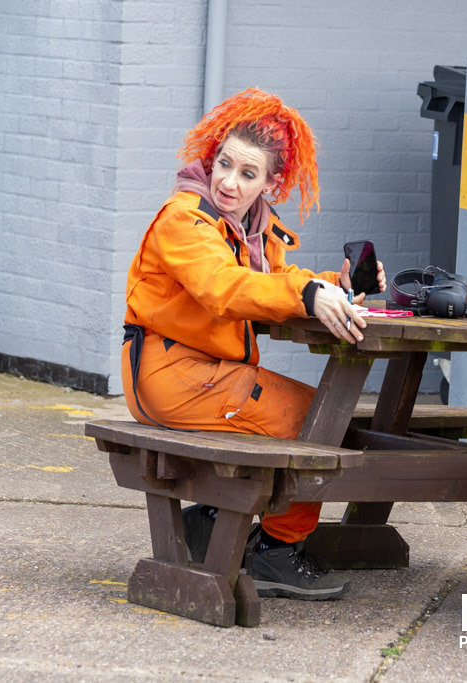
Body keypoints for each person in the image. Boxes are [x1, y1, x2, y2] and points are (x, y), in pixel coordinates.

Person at [121, 88, 386, 601]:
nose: (228, 182)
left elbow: (279, 280)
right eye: (224, 164)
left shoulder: (254, 228)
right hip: (171, 376)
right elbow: (225, 286)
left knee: (322, 415)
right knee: (317, 422)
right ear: (210, 157)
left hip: (208, 373)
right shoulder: (185, 220)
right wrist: (308, 294)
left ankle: (218, 517)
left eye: (247, 174)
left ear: (270, 183)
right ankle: (276, 552)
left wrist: (339, 282)